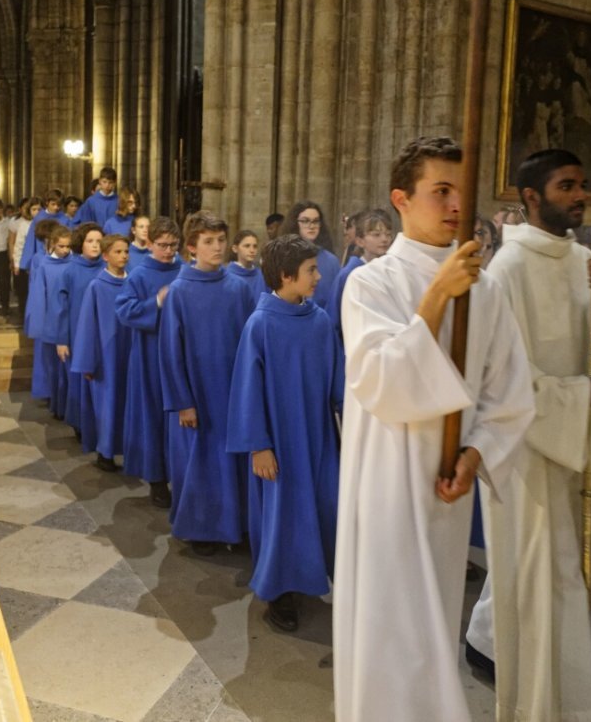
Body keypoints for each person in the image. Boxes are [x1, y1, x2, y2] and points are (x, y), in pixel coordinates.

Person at [333, 137, 534, 722]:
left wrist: (476, 452)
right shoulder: (370, 284)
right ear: (401, 199)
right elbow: (382, 382)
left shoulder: (489, 290)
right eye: (439, 191)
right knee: (387, 626)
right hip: (388, 480)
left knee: (431, 628)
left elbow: (508, 391)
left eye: (460, 192)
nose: (454, 205)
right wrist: (437, 299)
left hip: (445, 484)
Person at [464, 148, 591, 722]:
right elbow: (498, 378)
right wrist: (572, 397)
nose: (579, 195)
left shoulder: (586, 261)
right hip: (525, 454)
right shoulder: (506, 272)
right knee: (537, 583)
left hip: (571, 445)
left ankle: (574, 698)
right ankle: (536, 705)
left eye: (582, 185)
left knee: (567, 578)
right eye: (566, 186)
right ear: (531, 197)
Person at [227, 234, 342, 632]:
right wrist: (258, 445)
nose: (319, 275)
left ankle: (312, 575)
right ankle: (278, 591)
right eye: (311, 270)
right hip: (278, 440)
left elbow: (337, 380)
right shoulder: (260, 325)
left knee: (325, 505)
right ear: (285, 276)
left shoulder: (320, 320)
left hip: (319, 435)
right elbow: (246, 390)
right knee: (282, 515)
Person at [159, 212, 257, 555]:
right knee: (199, 462)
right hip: (197, 393)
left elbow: (250, 341)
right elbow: (170, 351)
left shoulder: (239, 288)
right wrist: (182, 401)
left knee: (233, 462)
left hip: (231, 391)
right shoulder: (180, 293)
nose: (216, 248)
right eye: (208, 242)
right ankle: (201, 529)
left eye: (219, 240)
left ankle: (237, 525)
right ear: (191, 247)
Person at [116, 217, 184, 508]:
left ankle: (181, 478)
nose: (168, 251)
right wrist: (156, 302)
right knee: (154, 417)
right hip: (150, 355)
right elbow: (124, 311)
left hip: (180, 355)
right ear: (150, 244)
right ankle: (157, 481)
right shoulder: (139, 275)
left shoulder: (185, 271)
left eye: (173, 245)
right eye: (162, 245)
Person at [72, 235, 133, 473]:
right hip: (106, 358)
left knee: (127, 405)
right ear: (106, 256)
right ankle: (105, 453)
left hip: (129, 354)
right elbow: (87, 325)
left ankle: (129, 450)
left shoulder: (133, 282)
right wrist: (88, 362)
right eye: (118, 252)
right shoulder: (97, 286)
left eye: (126, 251)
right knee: (108, 405)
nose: (124, 256)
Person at [53, 223, 104, 438]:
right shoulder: (70, 270)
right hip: (76, 334)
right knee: (78, 381)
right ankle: (80, 424)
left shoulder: (106, 268)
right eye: (90, 241)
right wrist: (62, 340)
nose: (95, 245)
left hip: (101, 334)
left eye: (99, 241)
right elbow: (61, 308)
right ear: (80, 244)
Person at [26, 221, 69, 411]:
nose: (65, 250)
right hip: (49, 318)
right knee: (49, 363)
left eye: (68, 246)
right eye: (61, 246)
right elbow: (38, 296)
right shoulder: (44, 264)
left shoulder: (73, 263)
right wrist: (38, 324)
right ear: (52, 244)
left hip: (67, 318)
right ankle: (51, 396)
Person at [331, 209, 393, 337]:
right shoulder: (348, 274)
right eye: (376, 235)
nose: (384, 239)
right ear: (360, 241)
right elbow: (334, 320)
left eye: (388, 234)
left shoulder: (391, 272)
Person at [279, 201, 342, 314]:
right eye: (305, 221)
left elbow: (336, 302)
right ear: (295, 223)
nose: (311, 226)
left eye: (316, 221)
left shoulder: (331, 261)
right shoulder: (282, 256)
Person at [10, 196, 41, 320]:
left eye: (39, 209)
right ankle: (24, 315)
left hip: (40, 264)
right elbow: (19, 245)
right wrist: (16, 263)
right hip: (26, 263)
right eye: (34, 209)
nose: (37, 212)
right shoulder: (24, 225)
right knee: (24, 292)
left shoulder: (44, 223)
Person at [226, 230, 267, 296]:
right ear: (235, 249)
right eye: (247, 246)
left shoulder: (263, 275)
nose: (252, 250)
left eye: (255, 246)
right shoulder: (227, 276)